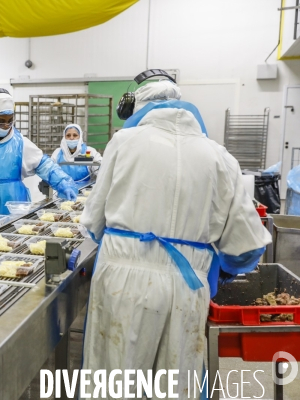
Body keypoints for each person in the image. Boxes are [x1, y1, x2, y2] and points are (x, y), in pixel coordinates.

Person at [80, 78, 271, 398]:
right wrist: (219, 268)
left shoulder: (124, 142)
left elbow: (93, 223)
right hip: (187, 286)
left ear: (139, 109)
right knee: (174, 384)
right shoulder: (219, 156)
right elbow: (247, 246)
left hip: (120, 283)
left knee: (114, 379)